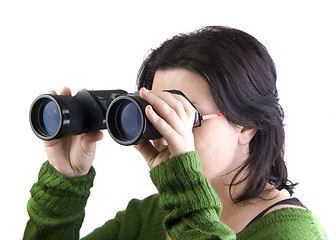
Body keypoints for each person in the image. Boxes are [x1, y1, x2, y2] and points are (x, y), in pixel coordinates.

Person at [23, 26, 328, 239]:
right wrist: (66, 182)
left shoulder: (293, 233)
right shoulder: (149, 216)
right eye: (157, 114)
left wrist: (184, 191)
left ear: (247, 125)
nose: (167, 133)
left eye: (182, 114)